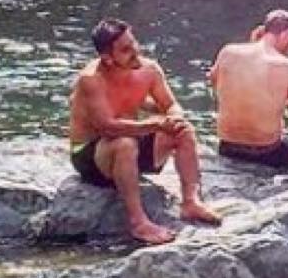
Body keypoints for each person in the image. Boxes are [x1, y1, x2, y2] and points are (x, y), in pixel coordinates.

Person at [67, 18, 223, 245]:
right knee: (124, 143)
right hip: (93, 156)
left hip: (129, 146)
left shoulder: (149, 70)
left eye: (134, 43)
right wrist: (156, 125)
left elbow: (170, 104)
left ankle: (190, 202)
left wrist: (174, 118)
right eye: (125, 50)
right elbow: (107, 127)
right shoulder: (91, 80)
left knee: (183, 130)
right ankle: (138, 222)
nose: (135, 52)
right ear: (107, 58)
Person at [208, 11, 288, 170]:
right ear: (286, 35)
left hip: (227, 148)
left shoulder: (228, 52)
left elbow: (215, 82)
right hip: (266, 153)